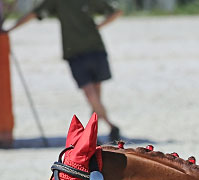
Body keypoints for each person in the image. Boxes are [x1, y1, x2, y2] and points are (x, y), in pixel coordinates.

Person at [5, 0, 123, 142]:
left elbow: (117, 12)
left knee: (95, 97)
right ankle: (110, 126)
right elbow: (34, 14)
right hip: (77, 54)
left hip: (93, 49)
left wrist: (98, 26)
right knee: (92, 96)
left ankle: (94, 132)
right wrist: (10, 29)